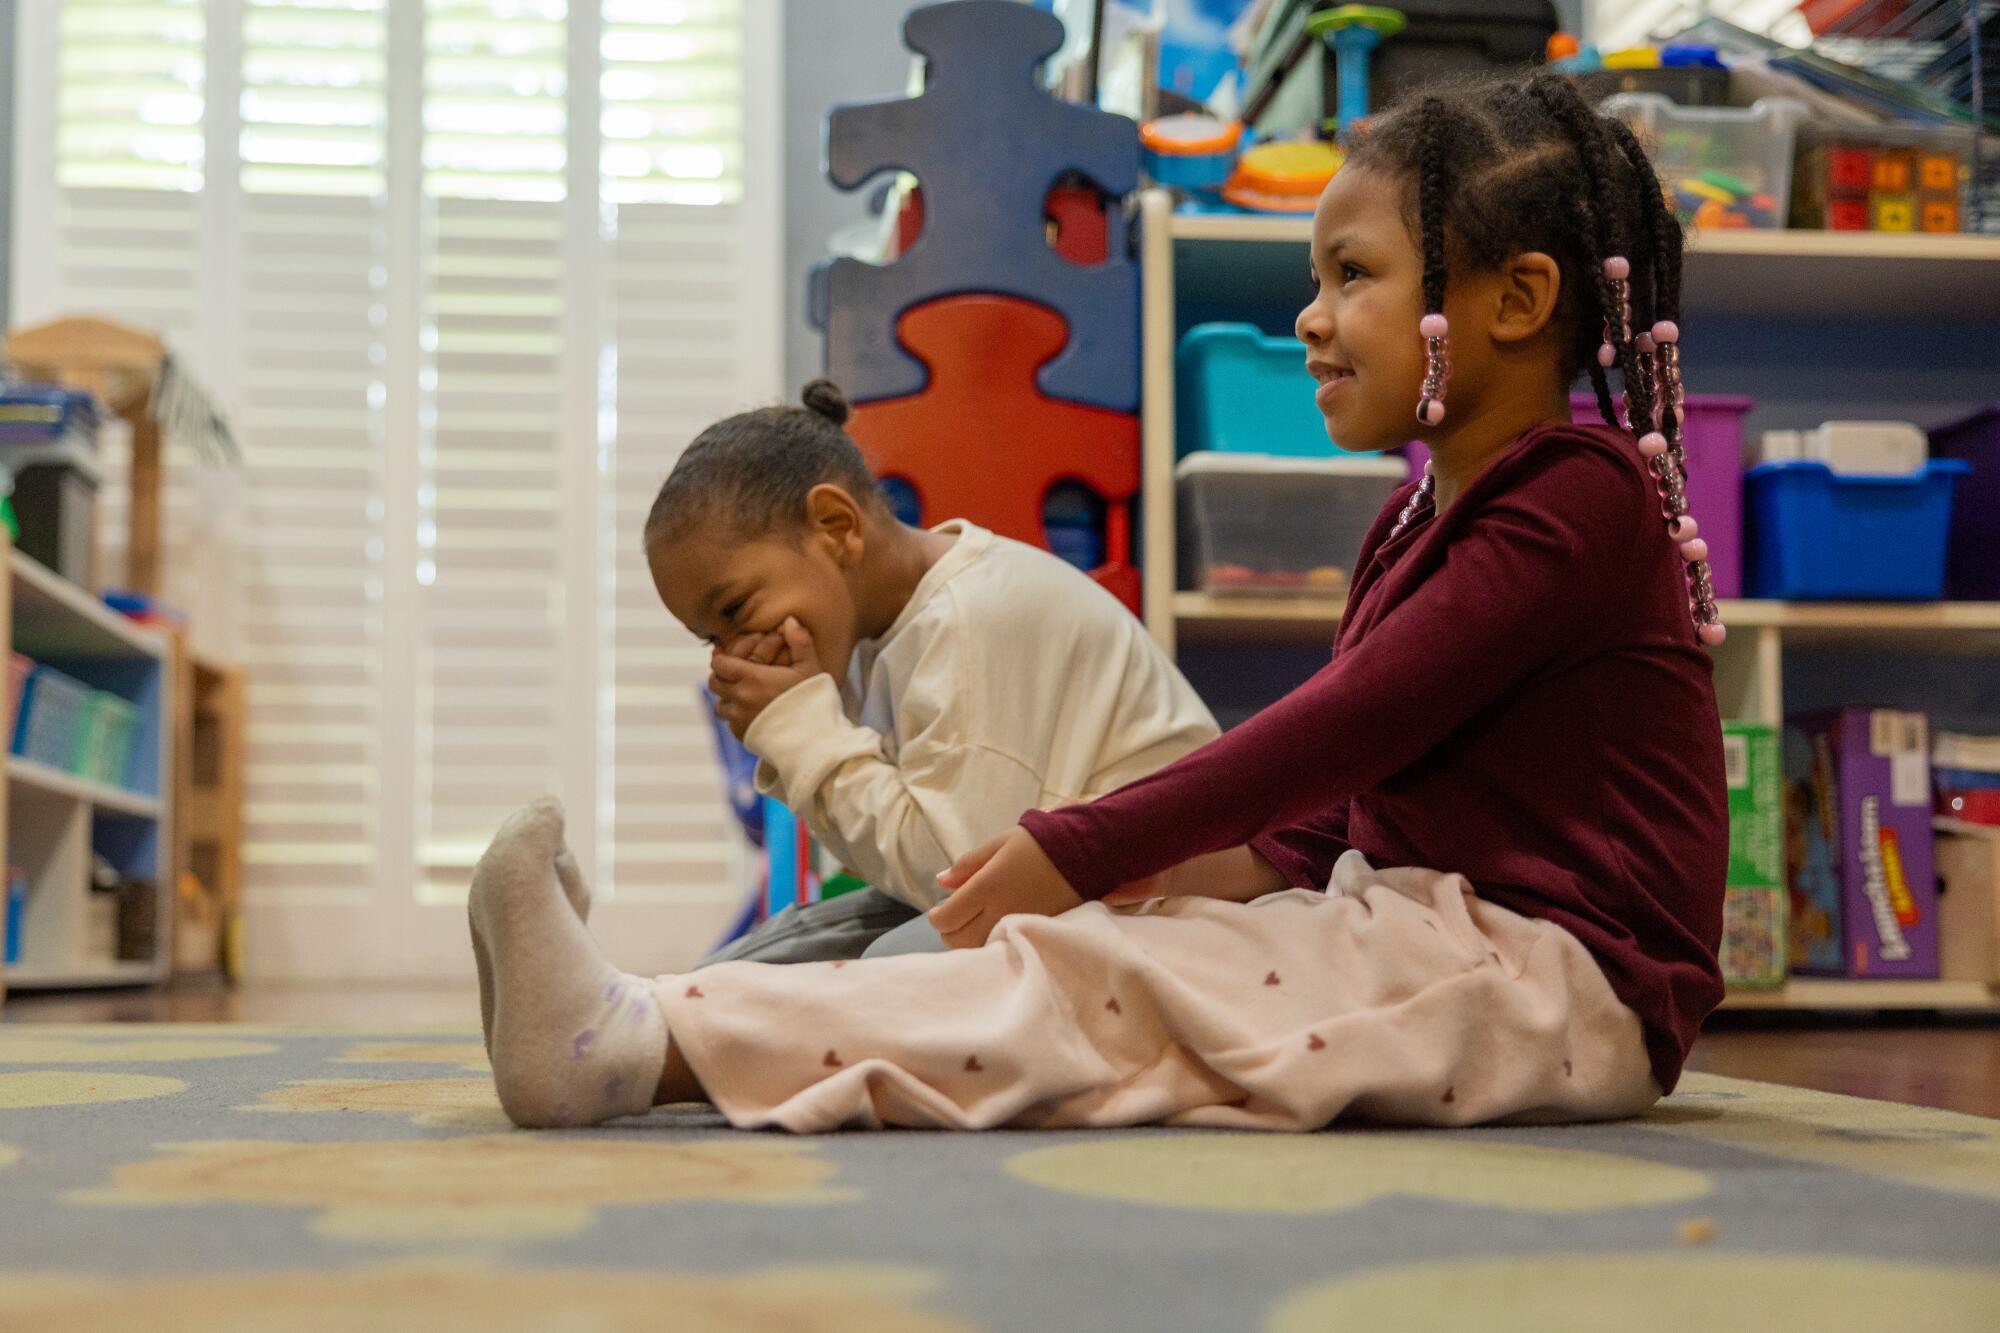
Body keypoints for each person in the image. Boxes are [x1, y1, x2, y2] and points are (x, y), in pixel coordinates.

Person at [469, 74, 1728, 1134]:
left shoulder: (1582, 496)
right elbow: (1341, 812)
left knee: (1099, 988)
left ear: (1514, 301)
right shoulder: (1412, 523)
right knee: (1104, 953)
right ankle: (653, 1022)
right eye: (1316, 274)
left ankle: (630, 1045)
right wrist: (1151, 882)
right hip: (1423, 925)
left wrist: (1083, 850)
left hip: (1566, 985)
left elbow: (1346, 726)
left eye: (1352, 274)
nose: (1308, 315)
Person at [642, 377, 1215, 968]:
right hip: (1048, 895)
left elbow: (960, 880)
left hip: (1162, 909)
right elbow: (897, 865)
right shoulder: (869, 641)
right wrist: (800, 734)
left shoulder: (971, 618)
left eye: (736, 611)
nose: (732, 653)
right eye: (713, 638)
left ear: (837, 526)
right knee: (747, 964)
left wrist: (801, 730)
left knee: (881, 968)